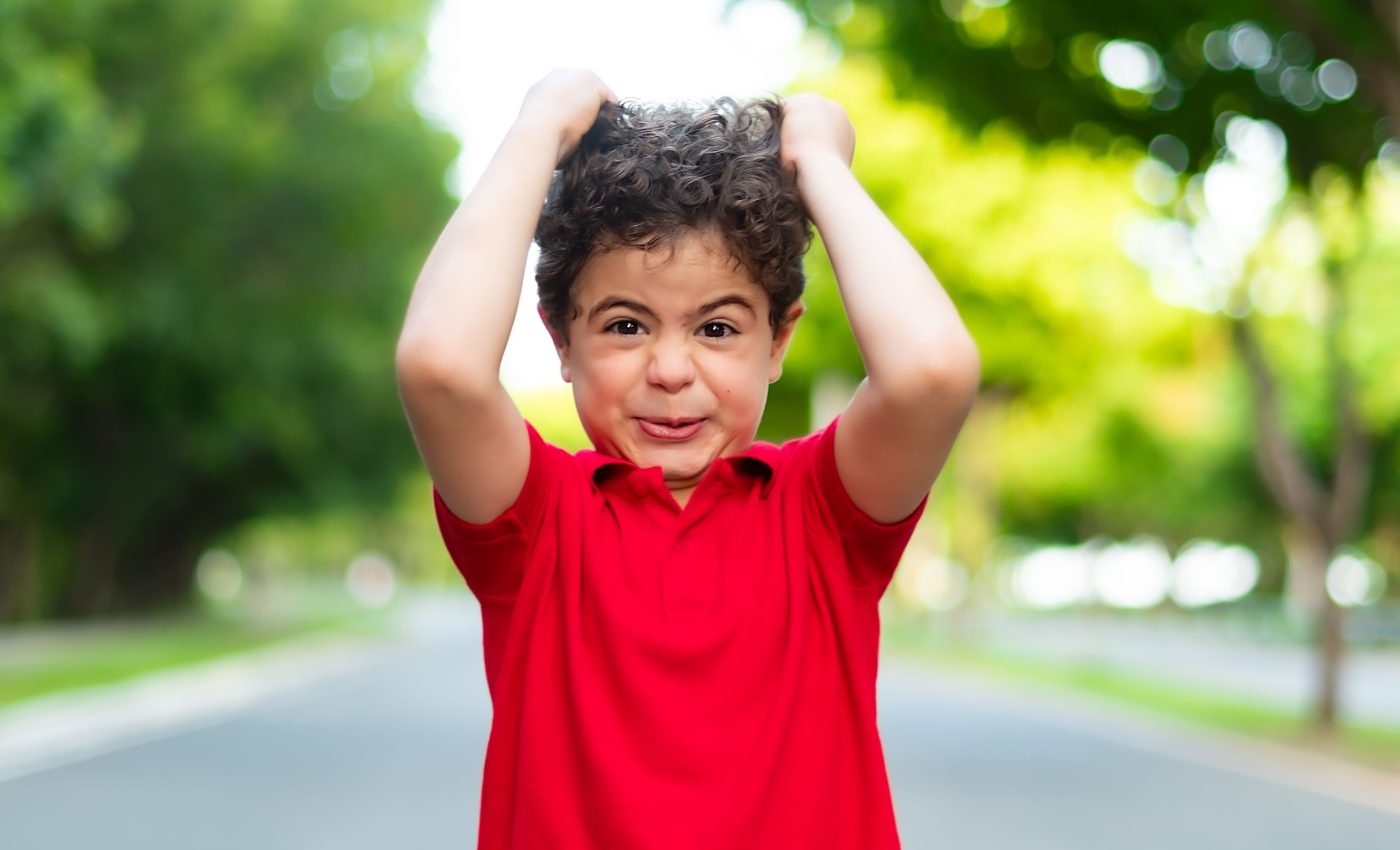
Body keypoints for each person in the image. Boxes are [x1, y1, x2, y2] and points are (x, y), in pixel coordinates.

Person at [395, 67, 980, 850]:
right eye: (626, 326)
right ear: (562, 343)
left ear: (779, 341)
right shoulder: (538, 521)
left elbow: (931, 374)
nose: (671, 372)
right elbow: (440, 366)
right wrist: (540, 126)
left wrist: (821, 168)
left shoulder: (822, 513)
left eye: (716, 329)